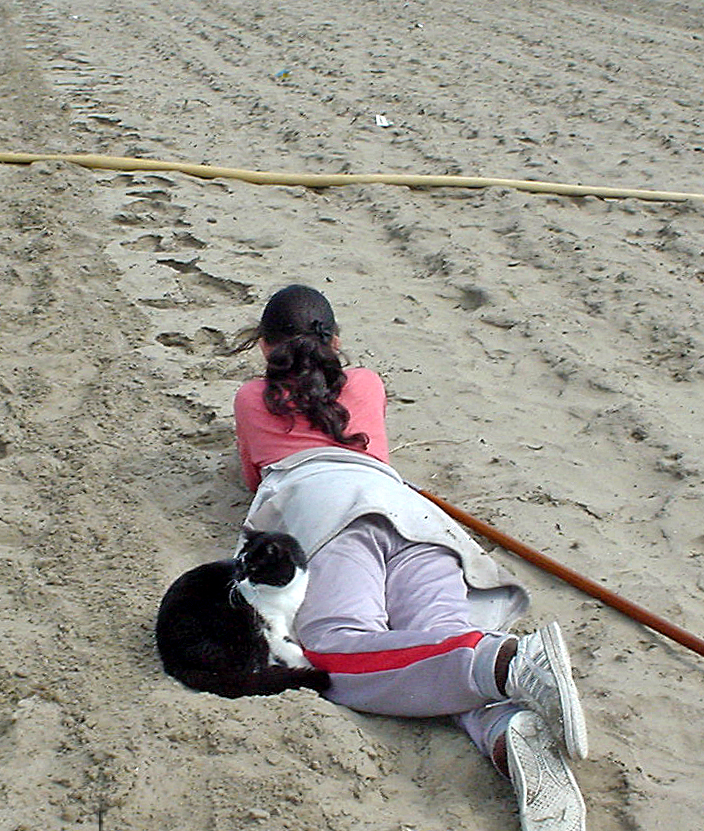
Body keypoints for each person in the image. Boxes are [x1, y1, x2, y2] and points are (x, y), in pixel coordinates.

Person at [231, 284, 589, 831]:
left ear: (264, 346)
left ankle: (508, 662)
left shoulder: (251, 398)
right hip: (409, 508)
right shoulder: (368, 384)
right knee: (435, 633)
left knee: (330, 653)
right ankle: (503, 730)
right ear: (337, 340)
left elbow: (252, 477)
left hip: (324, 511)